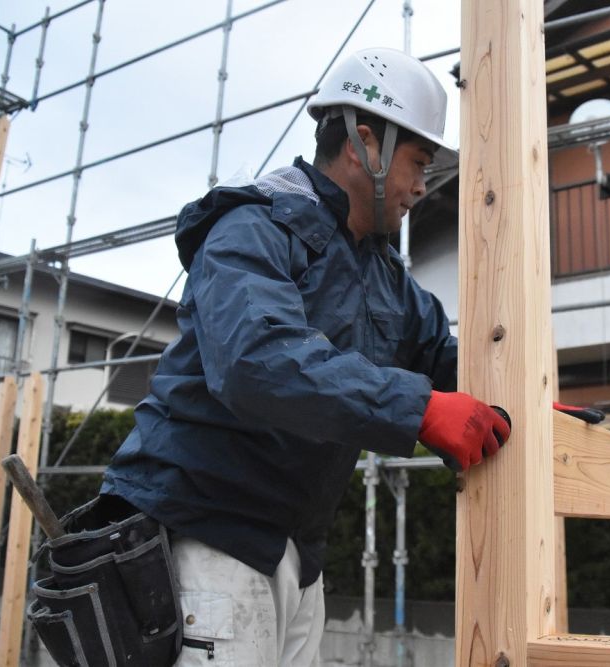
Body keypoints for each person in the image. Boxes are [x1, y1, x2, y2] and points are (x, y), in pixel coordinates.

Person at [100, 47, 510, 666]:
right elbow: (256, 360)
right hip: (208, 536)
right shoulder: (253, 227)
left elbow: (447, 358)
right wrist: (419, 408)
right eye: (418, 162)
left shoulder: (381, 272)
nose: (423, 186)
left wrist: (522, 393)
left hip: (295, 551)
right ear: (365, 145)